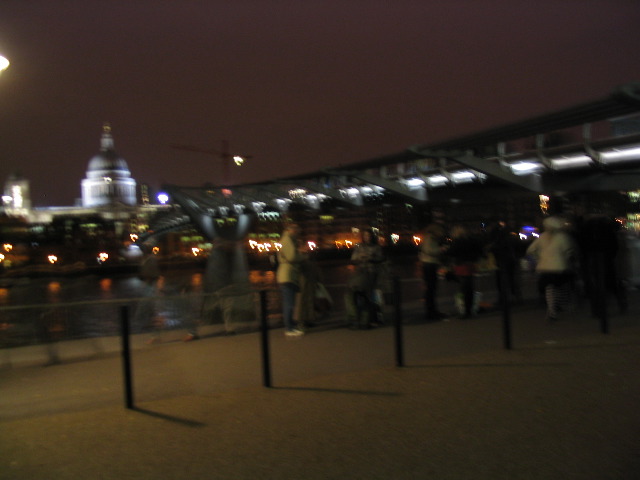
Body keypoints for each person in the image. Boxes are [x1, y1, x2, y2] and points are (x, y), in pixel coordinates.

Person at [526, 215, 577, 322]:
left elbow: (530, 250)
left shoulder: (542, 236)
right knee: (561, 287)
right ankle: (561, 306)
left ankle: (552, 311)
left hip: (544, 267)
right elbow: (569, 251)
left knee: (550, 289)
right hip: (560, 267)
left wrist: (539, 257)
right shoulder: (562, 237)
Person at [446, 224, 485, 319]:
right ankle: (470, 308)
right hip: (470, 264)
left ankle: (467, 311)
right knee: (469, 287)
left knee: (464, 287)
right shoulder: (471, 240)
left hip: (461, 264)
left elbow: (451, 252)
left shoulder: (458, 242)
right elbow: (480, 250)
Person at [349, 229, 385, 329]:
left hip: (372, 273)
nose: (367, 237)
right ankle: (360, 319)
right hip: (361, 274)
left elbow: (380, 258)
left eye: (368, 236)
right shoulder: (359, 247)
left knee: (372, 296)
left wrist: (371, 258)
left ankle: (373, 319)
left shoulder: (376, 247)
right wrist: (360, 258)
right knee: (359, 295)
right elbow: (353, 259)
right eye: (365, 236)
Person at [276, 223, 305, 336]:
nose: (298, 233)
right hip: (288, 275)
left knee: (289, 302)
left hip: (287, 275)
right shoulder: (287, 240)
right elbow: (292, 257)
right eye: (297, 230)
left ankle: (291, 326)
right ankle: (289, 328)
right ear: (292, 230)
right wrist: (303, 255)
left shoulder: (287, 239)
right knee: (289, 303)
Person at [487, 221, 524, 306]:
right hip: (511, 261)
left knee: (502, 282)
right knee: (512, 281)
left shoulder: (497, 240)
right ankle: (516, 298)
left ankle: (505, 299)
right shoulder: (511, 238)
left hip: (502, 261)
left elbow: (494, 248)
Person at [419, 222, 448, 321]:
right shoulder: (430, 237)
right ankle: (431, 312)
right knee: (431, 289)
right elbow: (429, 250)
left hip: (429, 264)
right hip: (429, 265)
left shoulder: (430, 237)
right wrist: (441, 250)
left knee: (431, 289)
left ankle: (432, 311)